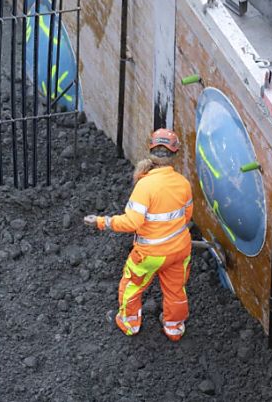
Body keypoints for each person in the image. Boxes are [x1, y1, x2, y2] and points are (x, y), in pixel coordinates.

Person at [83, 129, 194, 341]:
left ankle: (129, 323)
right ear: (176, 153)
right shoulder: (183, 183)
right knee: (176, 290)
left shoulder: (145, 186)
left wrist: (102, 222)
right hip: (180, 249)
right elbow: (187, 215)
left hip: (150, 253)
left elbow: (132, 222)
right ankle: (174, 328)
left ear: (151, 150)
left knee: (131, 285)